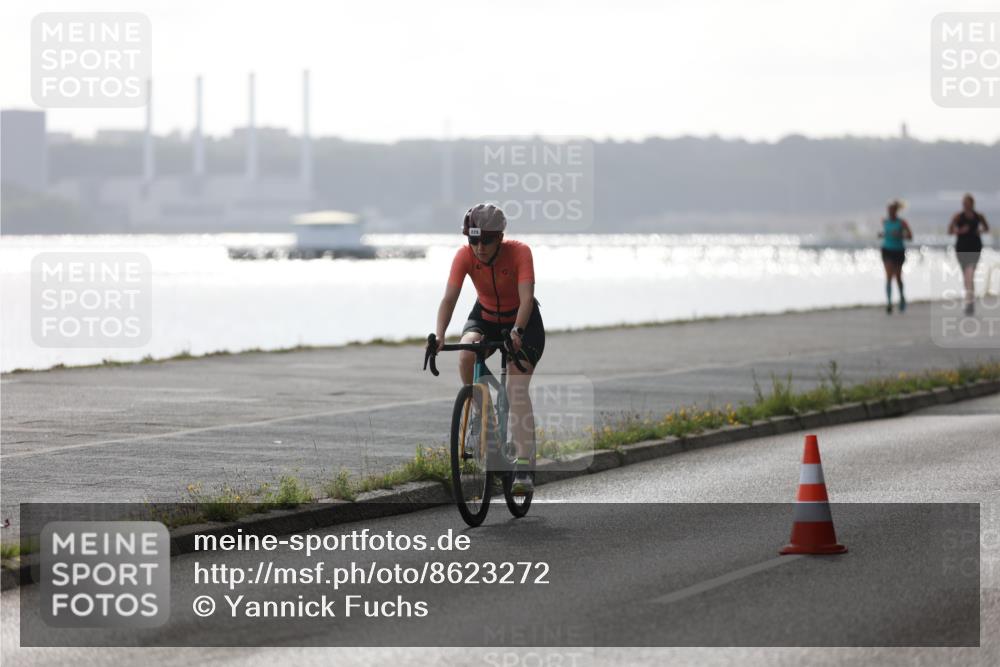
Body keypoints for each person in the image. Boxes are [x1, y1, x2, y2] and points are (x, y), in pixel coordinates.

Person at [434, 203, 545, 495]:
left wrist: (517, 331)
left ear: (500, 237)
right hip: (485, 315)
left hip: (523, 320)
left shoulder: (520, 252)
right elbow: (449, 299)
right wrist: (440, 335)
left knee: (515, 390)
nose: (479, 247)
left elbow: (527, 299)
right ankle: (478, 415)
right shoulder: (464, 256)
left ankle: (523, 465)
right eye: (473, 240)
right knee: (466, 355)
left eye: (486, 240)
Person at [948, 193, 990, 316]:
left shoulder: (978, 216)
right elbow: (950, 231)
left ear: (972, 204)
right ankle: (969, 300)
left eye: (967, 203)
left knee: (970, 274)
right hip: (961, 248)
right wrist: (960, 231)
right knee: (967, 276)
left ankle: (970, 302)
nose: (965, 206)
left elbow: (986, 228)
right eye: (964, 204)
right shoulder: (958, 217)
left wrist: (979, 230)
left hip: (975, 247)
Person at [879, 199, 912, 314]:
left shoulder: (902, 223)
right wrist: (882, 235)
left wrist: (899, 234)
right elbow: (884, 233)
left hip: (898, 251)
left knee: (898, 277)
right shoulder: (885, 222)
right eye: (889, 210)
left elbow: (910, 236)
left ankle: (902, 297)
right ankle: (889, 302)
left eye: (892, 210)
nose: (890, 212)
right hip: (887, 250)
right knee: (888, 276)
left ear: (896, 211)